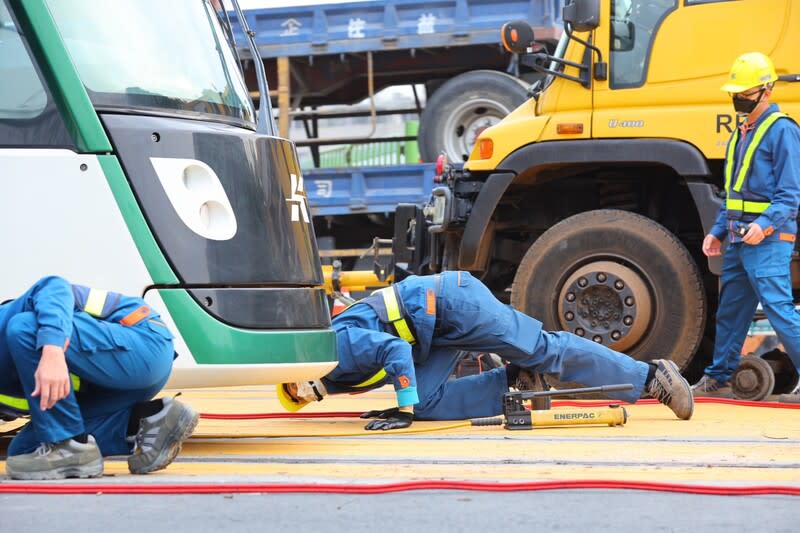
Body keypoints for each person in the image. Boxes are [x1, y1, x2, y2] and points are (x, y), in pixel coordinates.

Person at [277, 271, 694, 428]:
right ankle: (515, 381)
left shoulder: (334, 349)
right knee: (425, 403)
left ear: (302, 374)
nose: (305, 397)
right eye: (298, 399)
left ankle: (653, 376)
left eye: (295, 391)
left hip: (453, 307)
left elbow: (394, 354)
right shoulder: (333, 366)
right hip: (434, 327)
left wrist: (400, 409)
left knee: (544, 350)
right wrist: (407, 404)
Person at [0, 276, 199, 479]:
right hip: (114, 385)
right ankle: (147, 419)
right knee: (24, 452)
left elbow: (55, 285)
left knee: (24, 328)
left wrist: (52, 349)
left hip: (142, 341)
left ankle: (68, 444)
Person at [695, 52, 800, 402]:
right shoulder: (742, 132)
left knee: (780, 312)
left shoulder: (782, 131)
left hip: (767, 240)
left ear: (766, 91)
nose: (738, 98)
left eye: (746, 92)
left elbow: (789, 196)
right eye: (736, 92)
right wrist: (717, 231)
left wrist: (765, 227)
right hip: (740, 238)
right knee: (731, 313)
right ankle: (719, 377)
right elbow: (734, 194)